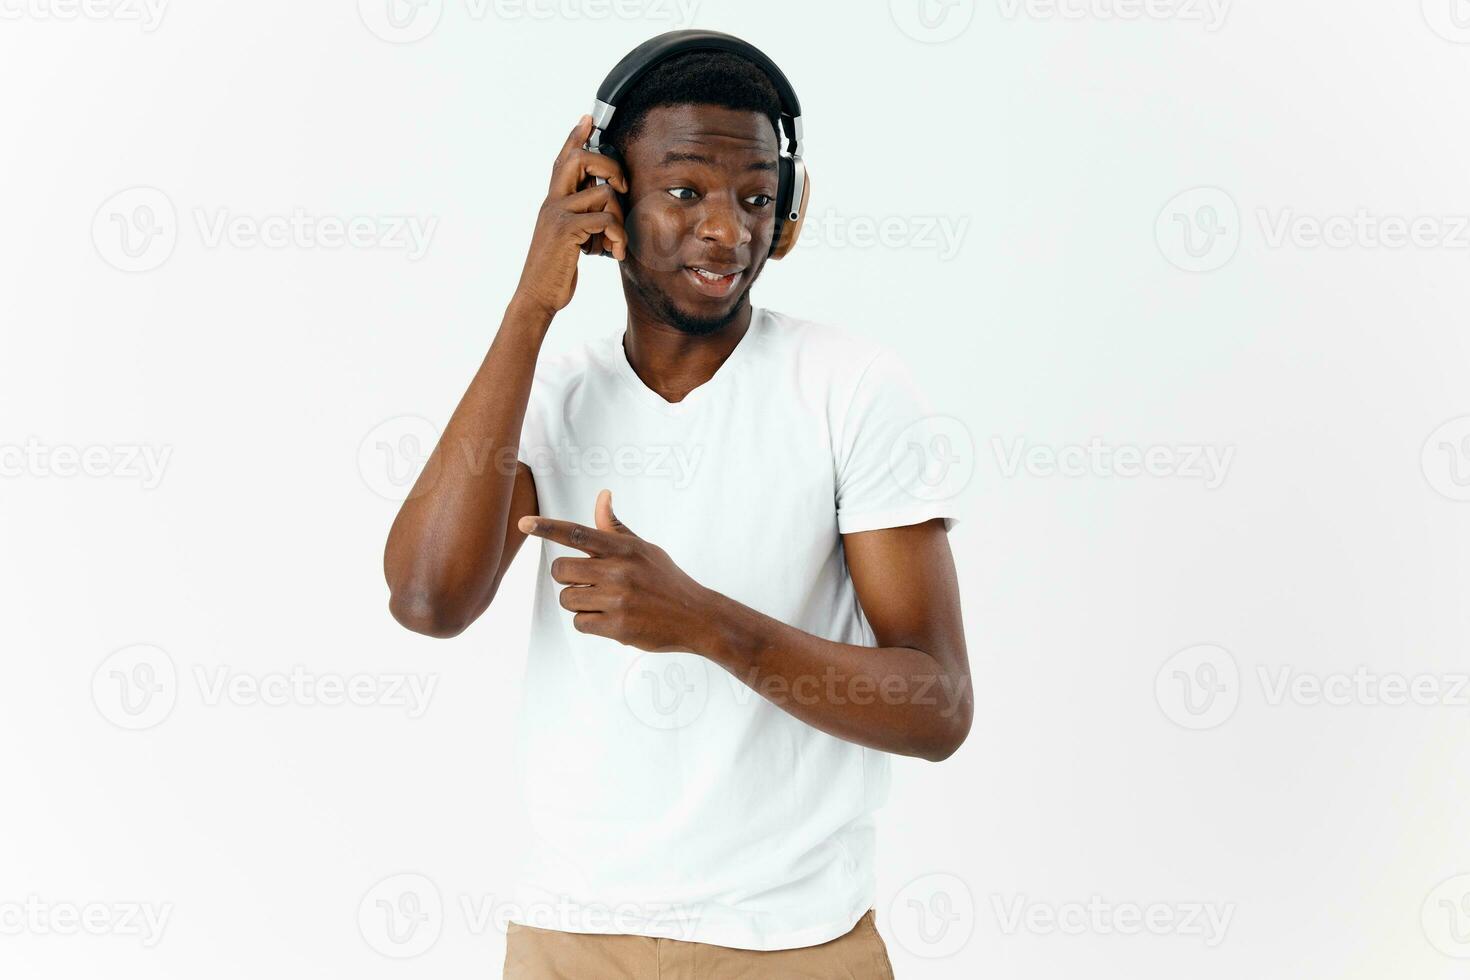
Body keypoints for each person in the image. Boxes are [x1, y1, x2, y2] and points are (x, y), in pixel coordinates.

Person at [382, 38, 972, 980]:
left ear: (787, 214)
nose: (728, 234)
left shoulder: (850, 386)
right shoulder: (547, 391)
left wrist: (704, 623)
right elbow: (426, 599)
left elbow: (938, 706)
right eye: (687, 192)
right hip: (568, 938)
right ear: (607, 197)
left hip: (794, 946)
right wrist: (531, 304)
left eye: (753, 199)